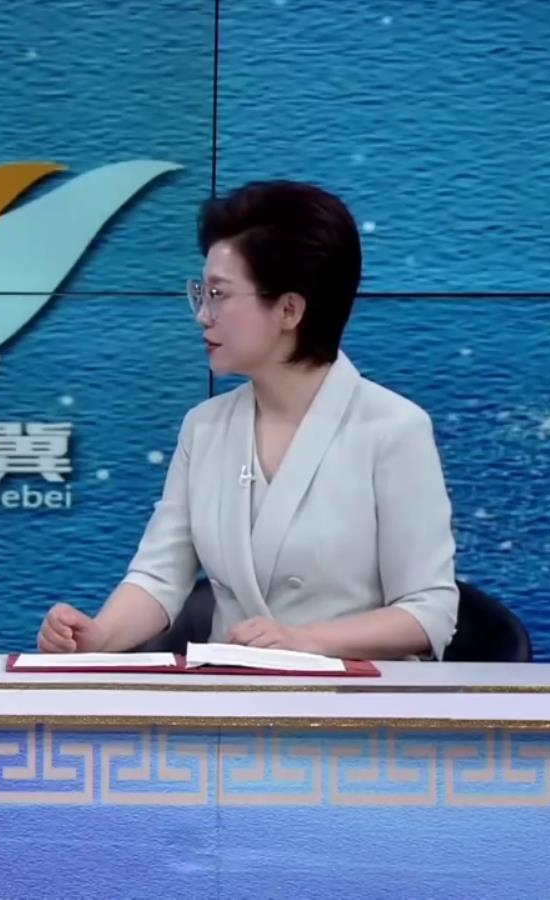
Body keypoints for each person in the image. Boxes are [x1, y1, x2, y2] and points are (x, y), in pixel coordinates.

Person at [38, 181, 458, 660]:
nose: (203, 315)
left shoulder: (393, 428)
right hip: (230, 696)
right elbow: (158, 577)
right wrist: (98, 638)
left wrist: (306, 641)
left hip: (353, 700)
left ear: (289, 309)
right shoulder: (205, 427)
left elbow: (429, 611)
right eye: (202, 293)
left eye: (219, 294)